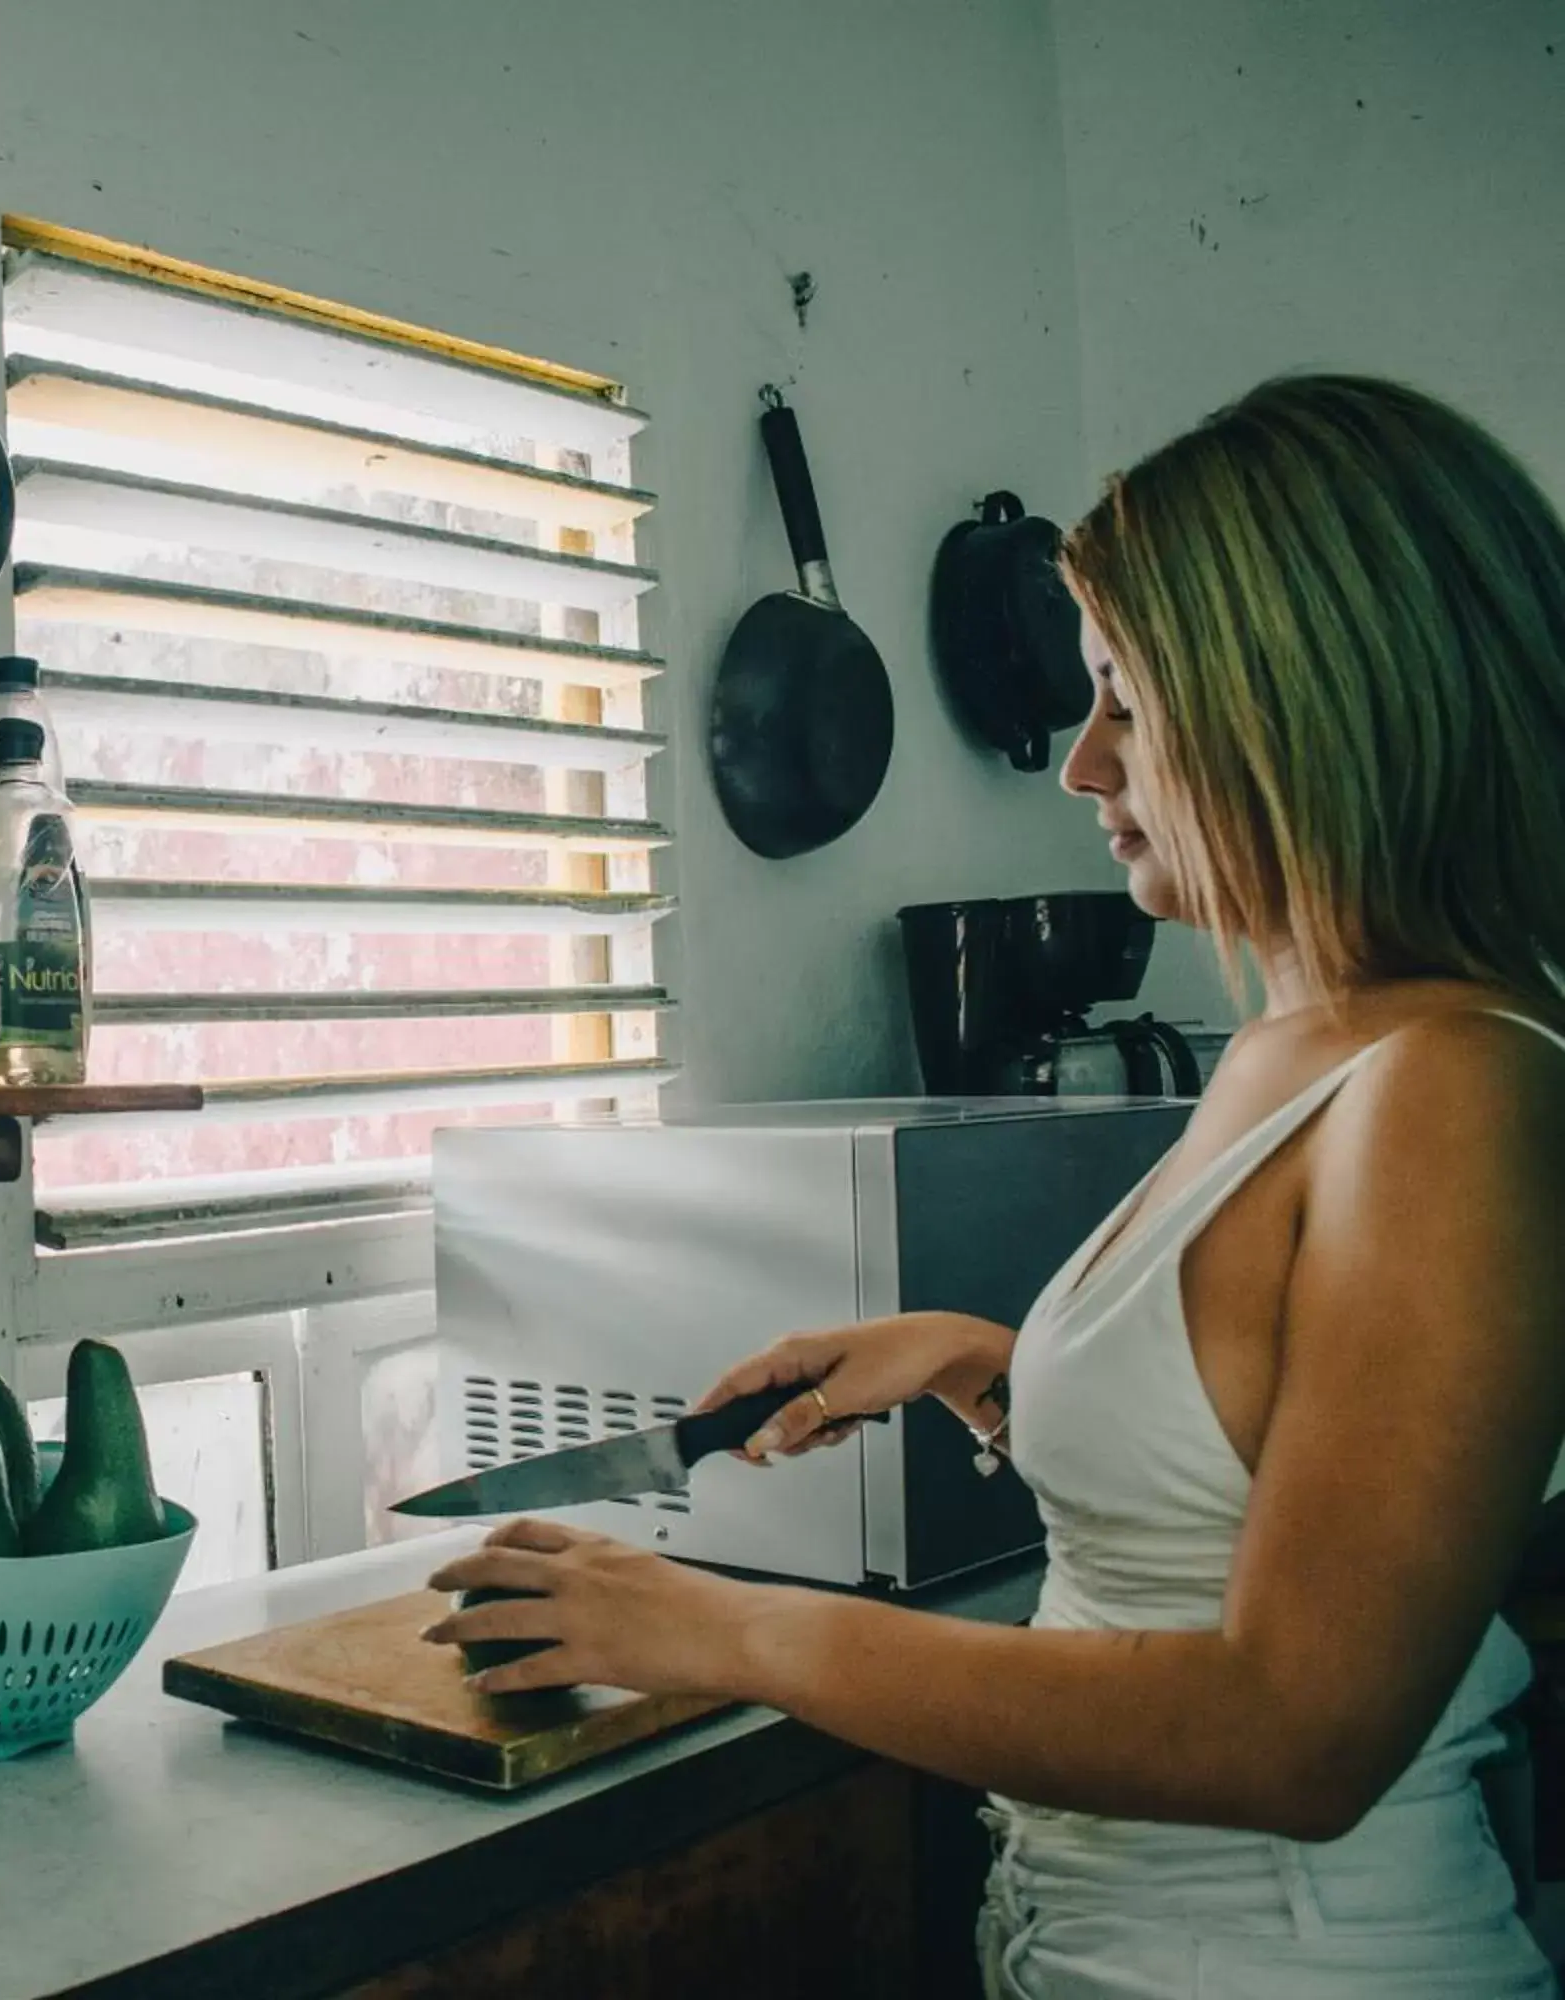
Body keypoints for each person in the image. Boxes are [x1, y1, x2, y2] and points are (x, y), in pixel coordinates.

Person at [422, 375, 1565, 1998]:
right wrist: (976, 1362)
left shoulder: (1459, 1087)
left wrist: (721, 1627)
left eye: (1127, 702)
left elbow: (1298, 1736)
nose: (1081, 764)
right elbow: (1232, 1498)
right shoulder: (1294, 1043)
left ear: (1303, 700)